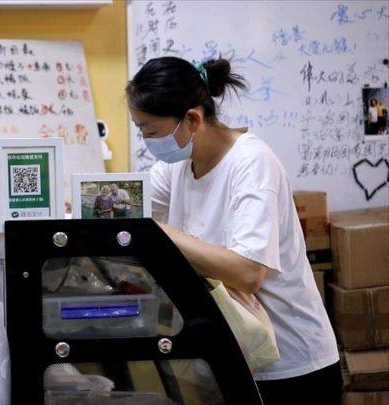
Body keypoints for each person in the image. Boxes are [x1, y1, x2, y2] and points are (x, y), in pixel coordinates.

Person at [125, 56, 341, 404]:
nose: (148, 140)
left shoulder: (251, 164)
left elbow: (247, 273)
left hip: (290, 366)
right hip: (233, 356)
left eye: (151, 131)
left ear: (192, 120)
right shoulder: (178, 164)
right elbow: (127, 209)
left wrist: (163, 234)